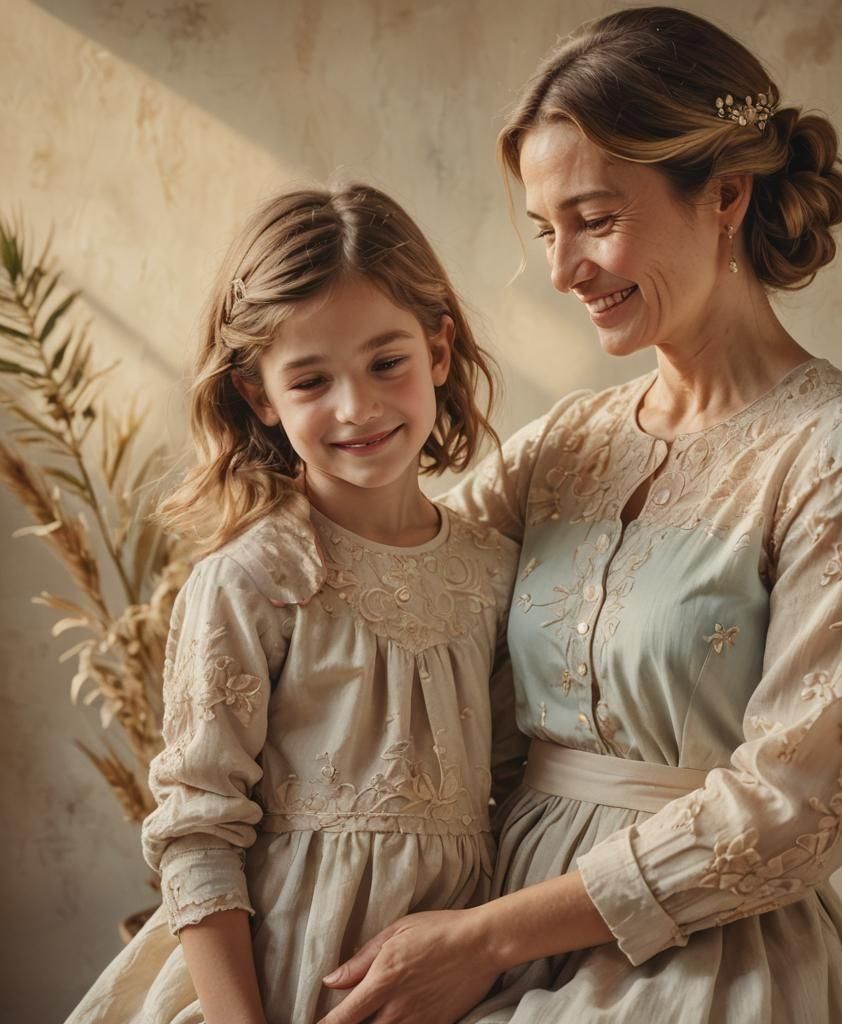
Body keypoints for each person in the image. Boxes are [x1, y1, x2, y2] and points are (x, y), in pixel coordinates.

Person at [316, 8, 842, 1024]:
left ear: (725, 194)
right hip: (484, 913)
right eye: (544, 229)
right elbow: (389, 586)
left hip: (707, 960)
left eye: (594, 220)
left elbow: (794, 809)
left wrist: (484, 939)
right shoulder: (566, 445)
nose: (562, 270)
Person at [65, 184, 525, 1024]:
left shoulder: (494, 574)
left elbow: (517, 789)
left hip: (452, 986)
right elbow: (198, 831)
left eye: (388, 362)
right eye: (311, 379)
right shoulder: (254, 580)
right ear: (258, 395)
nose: (359, 407)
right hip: (278, 984)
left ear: (440, 348)